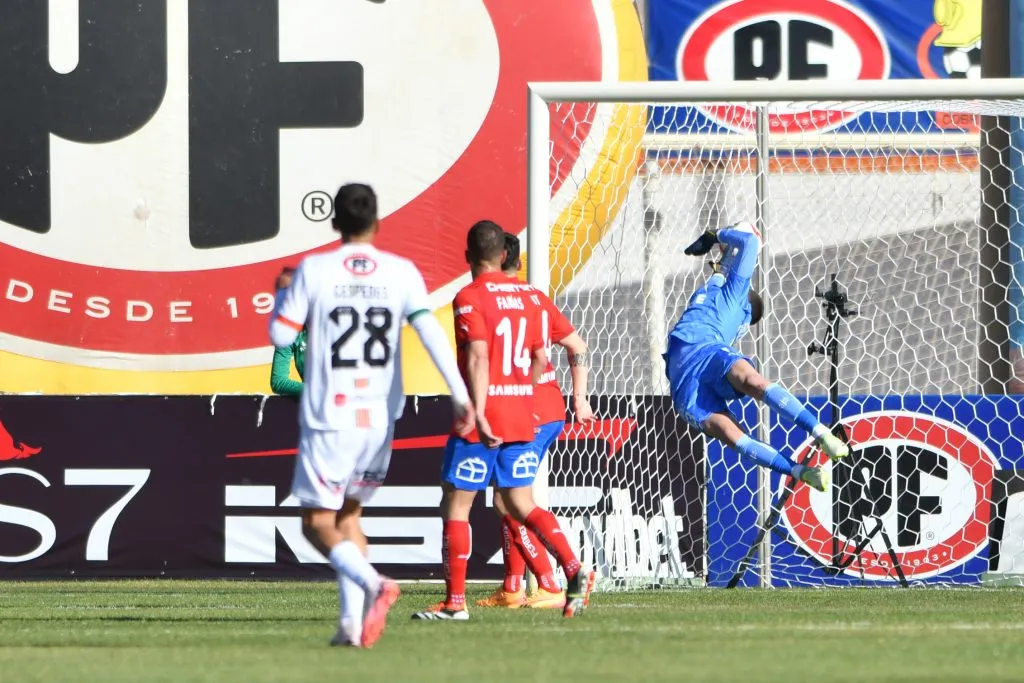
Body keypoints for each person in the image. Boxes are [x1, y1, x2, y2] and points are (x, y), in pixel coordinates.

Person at [270, 183, 474, 648]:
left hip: (330, 416)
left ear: (334, 223)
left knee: (317, 523)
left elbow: (281, 337)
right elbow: (430, 334)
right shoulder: (401, 272)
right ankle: (349, 625)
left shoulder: (314, 270)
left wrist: (284, 297)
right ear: (378, 223)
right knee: (349, 517)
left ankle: (375, 584)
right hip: (380, 418)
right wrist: (459, 395)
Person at [412, 220, 595, 622]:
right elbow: (541, 358)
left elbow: (477, 356)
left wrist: (478, 408)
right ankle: (573, 569)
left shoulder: (470, 296)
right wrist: (520, 393)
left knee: (457, 504)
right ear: (504, 256)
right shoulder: (530, 297)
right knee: (518, 501)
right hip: (521, 413)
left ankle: (455, 604)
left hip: (485, 415)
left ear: (468, 256)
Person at [665, 221, 848, 493]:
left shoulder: (734, 296)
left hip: (697, 364)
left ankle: (812, 447)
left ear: (746, 309)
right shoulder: (720, 291)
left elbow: (750, 241)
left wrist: (717, 234)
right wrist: (721, 244)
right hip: (692, 373)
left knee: (738, 423)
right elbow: (726, 264)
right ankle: (811, 454)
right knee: (746, 398)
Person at [476, 233, 595, 610]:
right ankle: (513, 587)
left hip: (523, 411)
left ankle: (551, 580)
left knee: (510, 500)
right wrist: (579, 399)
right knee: (508, 497)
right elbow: (577, 346)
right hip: (550, 408)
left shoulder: (494, 300)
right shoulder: (537, 299)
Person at [270, 267, 306, 397]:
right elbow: (278, 382)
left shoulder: (331, 322)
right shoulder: (288, 332)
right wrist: (316, 391)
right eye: (281, 294)